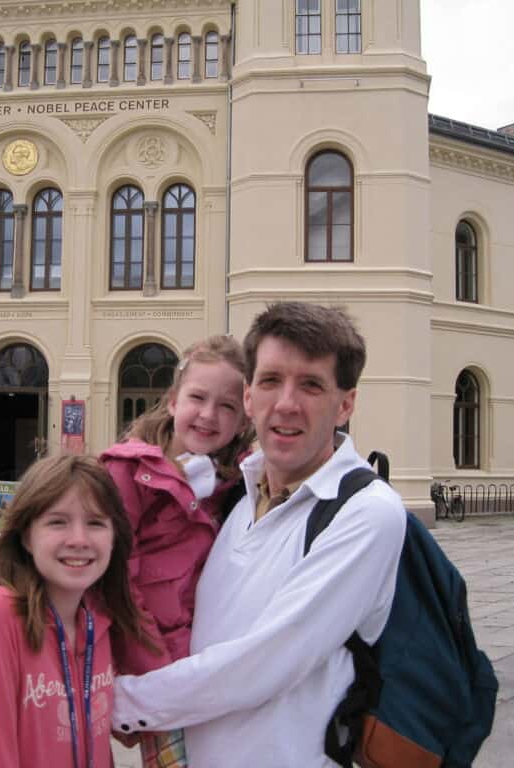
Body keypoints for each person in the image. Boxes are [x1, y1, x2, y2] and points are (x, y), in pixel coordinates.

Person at [112, 302, 408, 767]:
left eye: (311, 384)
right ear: (250, 398)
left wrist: (119, 702)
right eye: (270, 381)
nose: (286, 403)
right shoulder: (236, 494)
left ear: (345, 403)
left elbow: (267, 661)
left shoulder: (366, 512)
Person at [100, 335, 254, 768]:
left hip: (204, 667)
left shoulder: (234, 483)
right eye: (198, 398)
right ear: (172, 402)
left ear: (243, 420)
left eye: (227, 406)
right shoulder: (130, 471)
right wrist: (156, 675)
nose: (208, 415)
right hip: (161, 667)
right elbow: (117, 579)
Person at [0, 455, 150, 768]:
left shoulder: (99, 620)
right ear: (26, 536)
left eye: (96, 523)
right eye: (57, 522)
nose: (79, 540)